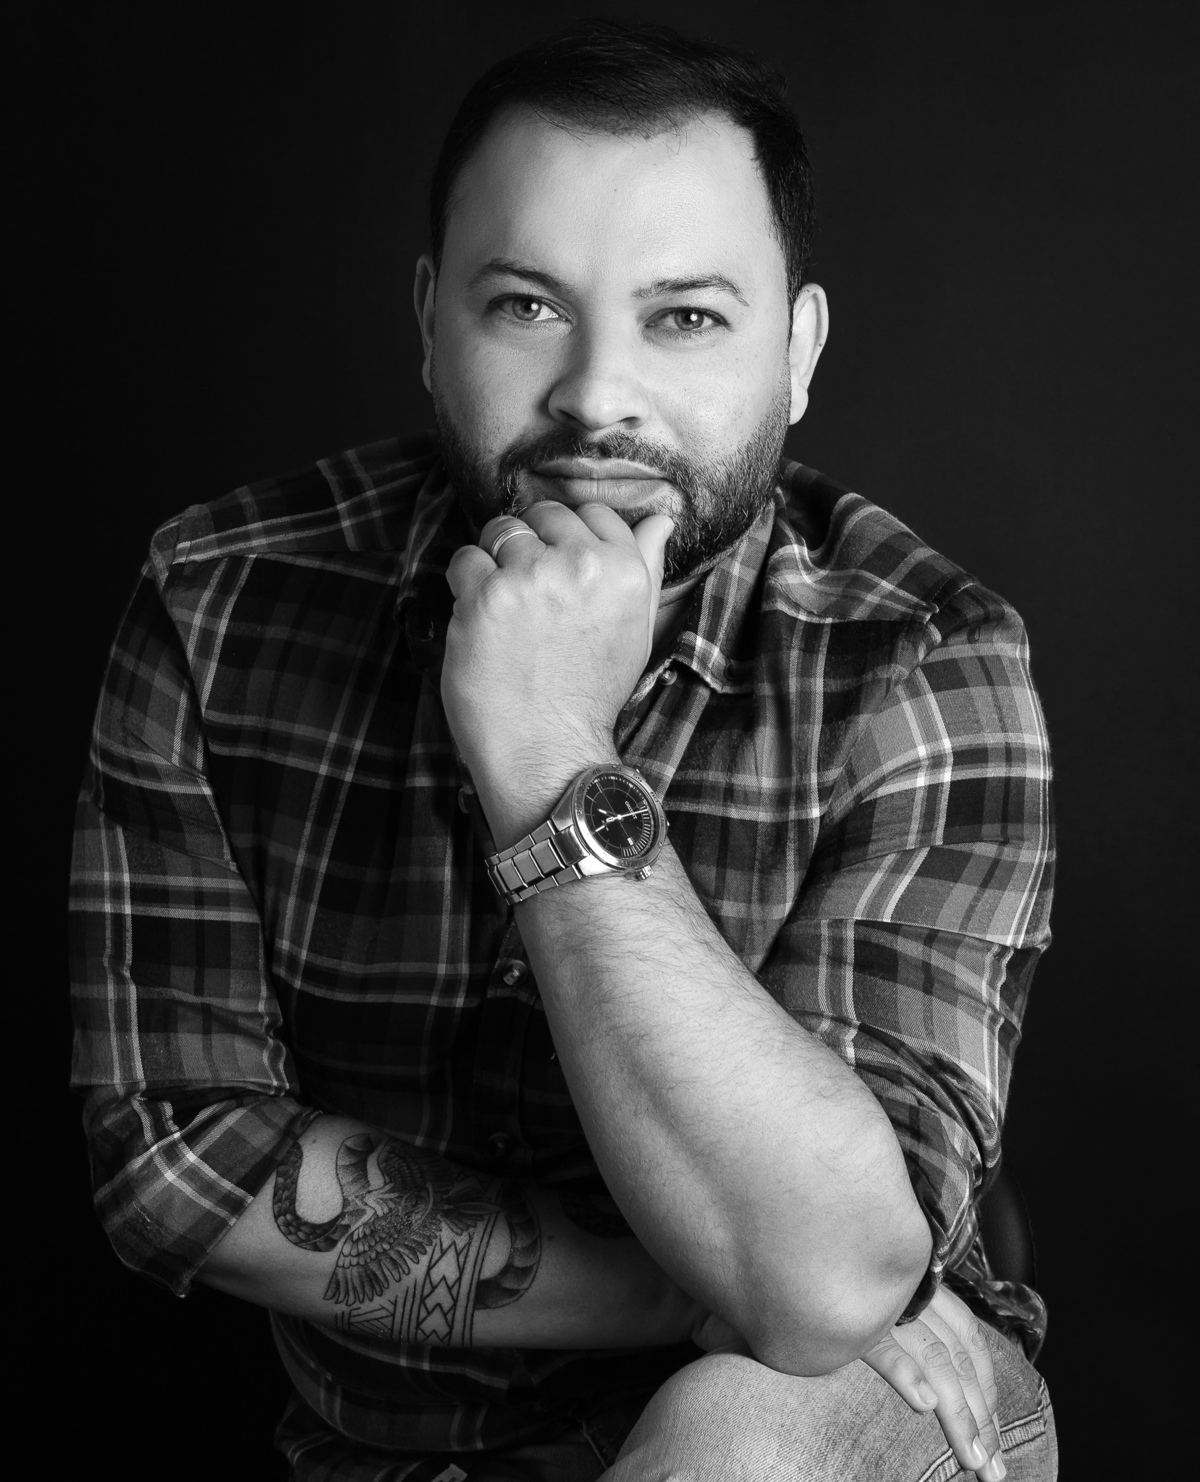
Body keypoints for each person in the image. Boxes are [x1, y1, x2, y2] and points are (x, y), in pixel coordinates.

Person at [69, 20, 1057, 1481]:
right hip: (382, 1452)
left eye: (687, 317)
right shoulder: (220, 602)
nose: (598, 395)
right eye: (528, 304)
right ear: (430, 320)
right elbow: (171, 1159)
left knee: (729, 1441)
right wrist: (682, 1276)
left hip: (822, 1423)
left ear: (797, 353)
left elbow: (829, 1287)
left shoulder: (922, 656)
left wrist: (546, 750)